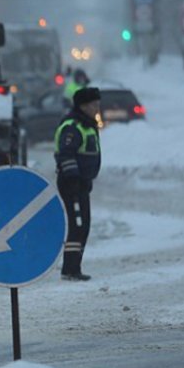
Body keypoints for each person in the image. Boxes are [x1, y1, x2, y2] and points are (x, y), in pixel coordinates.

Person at [53, 87, 101, 282]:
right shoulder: (73, 126)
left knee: (84, 224)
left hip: (81, 183)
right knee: (77, 225)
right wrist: (73, 180)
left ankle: (74, 267)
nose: (97, 108)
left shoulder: (87, 125)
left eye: (98, 104)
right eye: (94, 105)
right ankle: (70, 269)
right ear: (83, 106)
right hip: (71, 183)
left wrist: (85, 180)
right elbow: (66, 154)